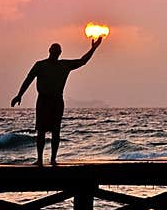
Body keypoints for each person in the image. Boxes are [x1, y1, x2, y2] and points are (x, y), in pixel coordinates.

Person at [11, 38, 102, 166]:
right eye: (53, 50)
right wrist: (19, 95)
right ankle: (40, 159)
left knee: (56, 131)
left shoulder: (64, 65)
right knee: (41, 130)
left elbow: (82, 61)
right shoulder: (40, 65)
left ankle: (53, 159)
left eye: (57, 51)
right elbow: (28, 80)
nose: (55, 53)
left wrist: (93, 48)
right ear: (49, 51)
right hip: (43, 101)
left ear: (60, 53)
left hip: (57, 101)